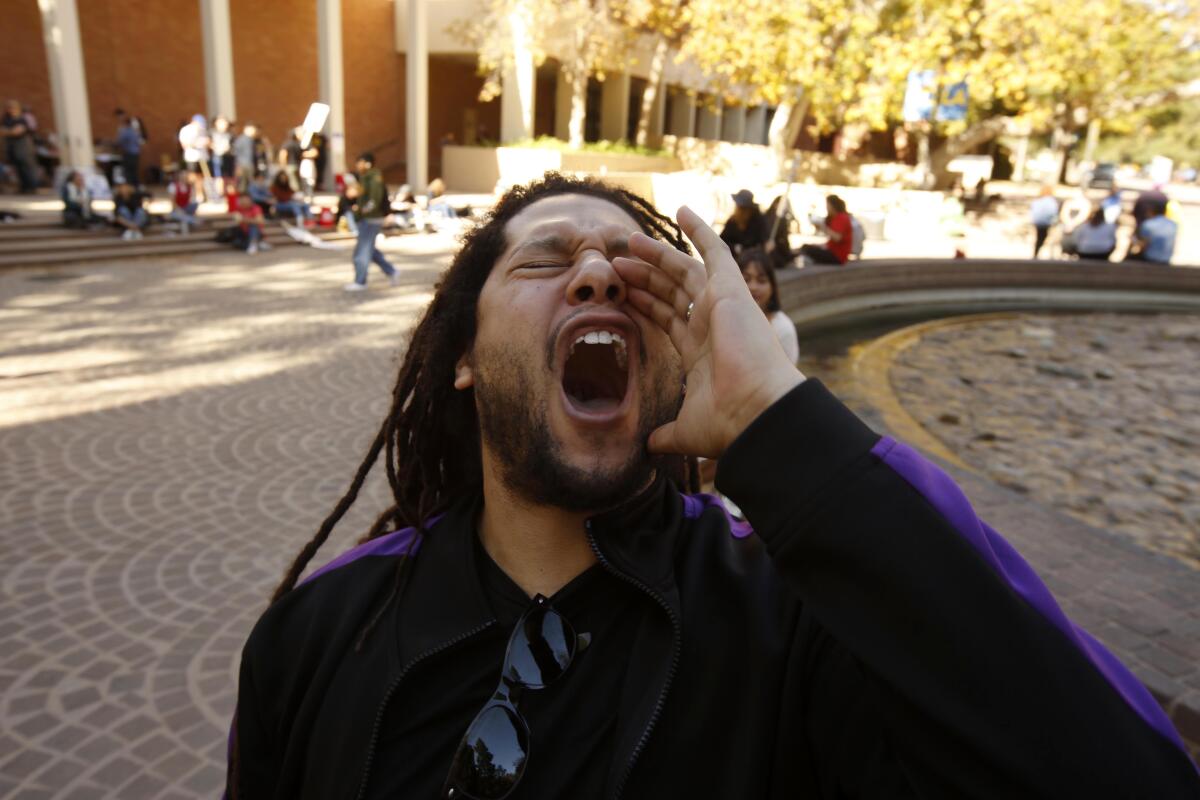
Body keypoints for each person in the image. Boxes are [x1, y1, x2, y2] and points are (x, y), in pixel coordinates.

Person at [225, 174, 1198, 799]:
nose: (599, 273)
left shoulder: (797, 628)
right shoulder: (317, 635)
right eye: (547, 259)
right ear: (464, 357)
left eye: (635, 269)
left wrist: (783, 420)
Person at [344, 151, 399, 292]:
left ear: (367, 163)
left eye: (360, 162)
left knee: (362, 251)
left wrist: (363, 211)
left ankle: (360, 281)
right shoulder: (367, 178)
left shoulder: (373, 178)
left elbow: (374, 199)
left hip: (371, 219)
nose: (357, 165)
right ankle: (391, 271)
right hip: (369, 217)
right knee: (370, 250)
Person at [738, 247, 799, 364]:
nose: (753, 287)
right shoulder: (723, 320)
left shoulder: (783, 329)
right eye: (746, 279)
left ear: (772, 287)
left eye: (761, 281)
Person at [799, 194, 853, 265]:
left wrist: (822, 227)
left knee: (806, 248)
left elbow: (837, 238)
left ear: (832, 206)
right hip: (835, 253)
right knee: (808, 248)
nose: (826, 208)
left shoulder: (841, 218)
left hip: (837, 256)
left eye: (827, 205)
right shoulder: (837, 217)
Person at [2, 99, 40, 193]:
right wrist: (11, 131)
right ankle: (24, 187)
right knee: (18, 168)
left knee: (28, 167)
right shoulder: (6, 119)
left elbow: (18, 131)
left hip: (24, 147)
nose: (11, 110)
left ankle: (32, 188)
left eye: (13, 108)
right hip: (12, 147)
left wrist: (8, 131)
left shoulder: (22, 118)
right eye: (9, 108)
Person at [719, 189, 768, 255]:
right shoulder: (732, 221)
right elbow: (722, 240)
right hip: (733, 257)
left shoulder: (758, 221)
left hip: (752, 257)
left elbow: (762, 242)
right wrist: (735, 247)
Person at [114, 110, 143, 186]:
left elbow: (119, 141)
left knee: (128, 172)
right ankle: (136, 186)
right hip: (136, 153)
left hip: (128, 154)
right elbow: (139, 141)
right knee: (134, 171)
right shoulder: (135, 132)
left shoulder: (125, 131)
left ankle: (130, 187)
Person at [1030, 186, 1059, 258]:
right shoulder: (1052, 201)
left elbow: (1033, 212)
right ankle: (1050, 255)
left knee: (1039, 238)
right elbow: (1053, 212)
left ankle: (1036, 253)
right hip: (1047, 222)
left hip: (1038, 222)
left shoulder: (1037, 201)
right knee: (1047, 238)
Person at [168, 169, 200, 234]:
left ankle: (189, 219)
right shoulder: (173, 186)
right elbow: (172, 200)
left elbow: (192, 199)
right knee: (180, 216)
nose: (184, 177)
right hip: (177, 209)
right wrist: (178, 209)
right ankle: (192, 220)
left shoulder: (189, 186)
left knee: (195, 203)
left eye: (185, 176)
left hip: (186, 208)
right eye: (182, 175)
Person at [211, 116, 234, 193]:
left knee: (230, 177)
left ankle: (229, 194)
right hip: (218, 156)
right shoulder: (212, 133)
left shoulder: (230, 134)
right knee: (219, 176)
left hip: (228, 157)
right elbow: (210, 144)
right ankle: (220, 194)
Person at [232, 122, 257, 191]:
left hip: (249, 164)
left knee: (249, 183)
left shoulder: (251, 140)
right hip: (242, 164)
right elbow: (236, 153)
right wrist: (238, 166)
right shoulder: (240, 140)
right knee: (242, 184)